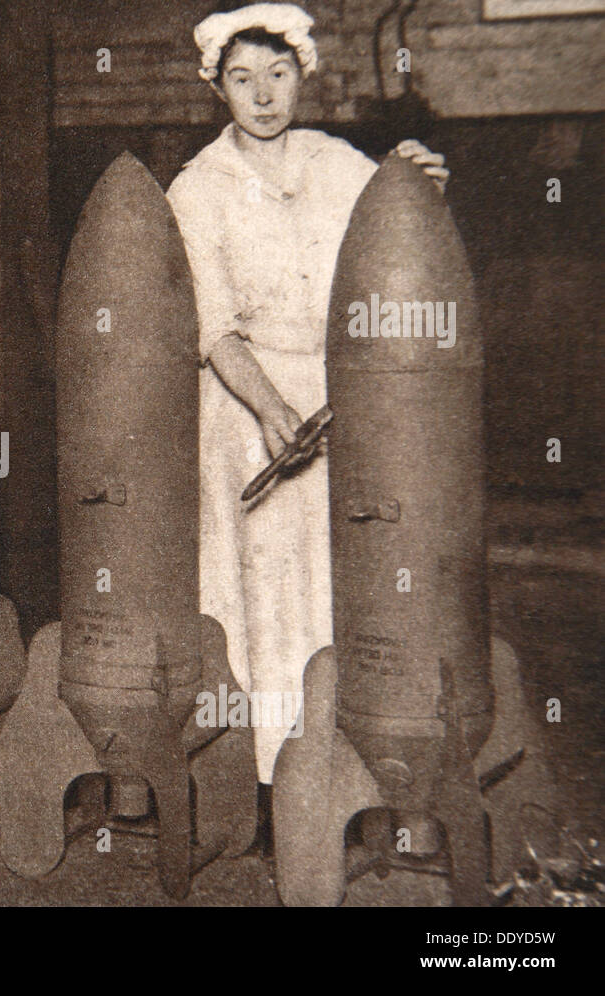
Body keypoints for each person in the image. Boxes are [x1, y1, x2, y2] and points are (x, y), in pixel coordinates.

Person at [165, 3, 449, 855]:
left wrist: (421, 188)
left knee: (343, 590)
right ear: (216, 87)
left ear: (303, 76)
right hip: (246, 409)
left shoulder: (340, 166)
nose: (263, 95)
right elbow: (212, 329)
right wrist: (272, 411)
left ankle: (350, 775)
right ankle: (267, 794)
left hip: (345, 403)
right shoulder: (196, 187)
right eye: (242, 78)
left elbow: (395, 241)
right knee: (260, 600)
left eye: (278, 74)